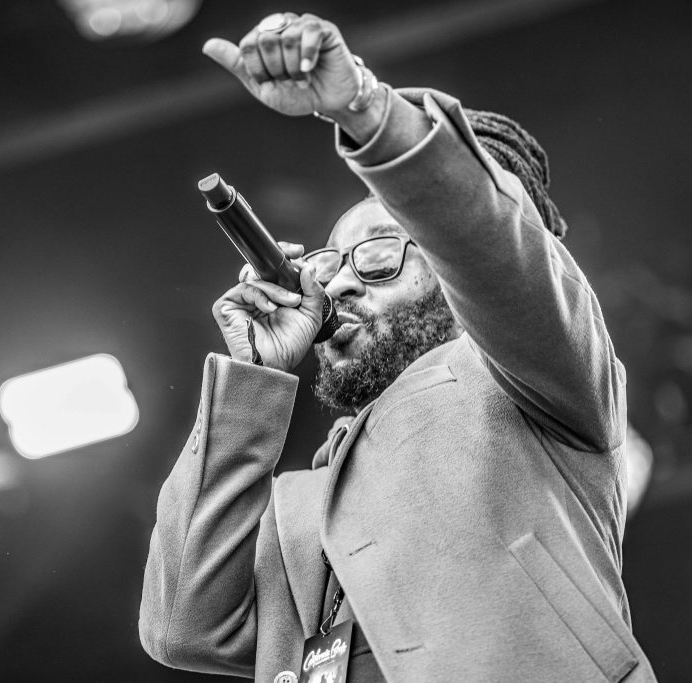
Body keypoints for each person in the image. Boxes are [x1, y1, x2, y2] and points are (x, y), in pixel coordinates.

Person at [139, 11, 656, 683]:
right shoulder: (299, 505)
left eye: (379, 256)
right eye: (330, 264)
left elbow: (490, 244)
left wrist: (363, 108)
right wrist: (250, 379)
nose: (339, 283)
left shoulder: (540, 378)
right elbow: (182, 625)